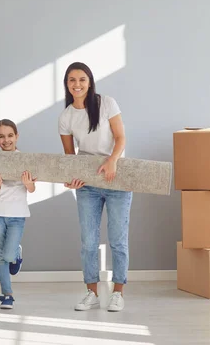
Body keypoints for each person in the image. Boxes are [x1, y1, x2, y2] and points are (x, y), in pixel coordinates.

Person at [58, 61, 133, 312]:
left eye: (81, 79)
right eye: (72, 80)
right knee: (89, 241)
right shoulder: (66, 116)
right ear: (67, 85)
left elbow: (121, 137)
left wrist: (112, 161)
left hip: (117, 179)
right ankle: (91, 292)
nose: (77, 84)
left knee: (117, 239)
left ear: (89, 82)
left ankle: (118, 292)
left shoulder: (107, 103)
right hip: (88, 185)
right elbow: (70, 156)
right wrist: (72, 178)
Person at [0, 119, 36, 309]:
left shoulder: (25, 159)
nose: (6, 140)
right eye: (1, 136)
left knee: (8, 254)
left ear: (16, 136)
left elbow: (32, 189)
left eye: (10, 135)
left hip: (17, 215)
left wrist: (27, 183)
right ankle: (7, 294)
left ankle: (16, 252)